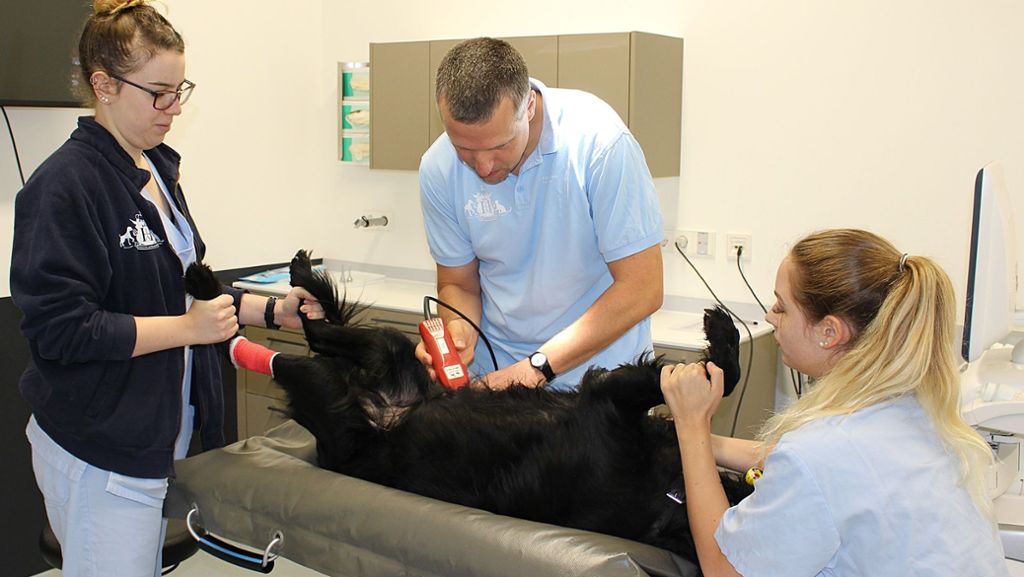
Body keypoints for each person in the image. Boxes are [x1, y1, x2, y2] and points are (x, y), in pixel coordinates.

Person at [10, 2, 321, 575]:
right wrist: (186, 329)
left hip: (159, 435)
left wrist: (275, 311)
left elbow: (184, 292)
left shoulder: (154, 169)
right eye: (158, 92)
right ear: (103, 84)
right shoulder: (63, 187)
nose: (174, 108)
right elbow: (61, 331)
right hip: (99, 448)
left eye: (181, 90)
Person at [660, 228, 1010, 576]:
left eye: (782, 307)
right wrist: (701, 441)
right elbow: (802, 463)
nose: (769, 316)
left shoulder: (819, 451)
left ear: (829, 332)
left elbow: (724, 570)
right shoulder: (910, 405)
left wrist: (693, 426)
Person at [417, 37, 664, 391]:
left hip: (600, 384)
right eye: (465, 150)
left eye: (499, 146)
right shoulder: (438, 167)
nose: (483, 167)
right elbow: (458, 283)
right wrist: (458, 335)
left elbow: (643, 288)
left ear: (529, 106)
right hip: (499, 380)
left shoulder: (600, 144)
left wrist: (538, 366)